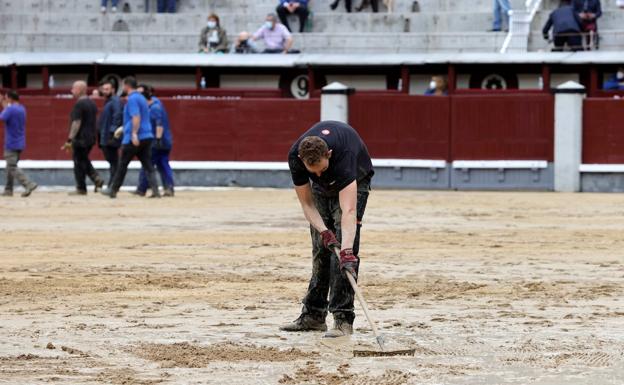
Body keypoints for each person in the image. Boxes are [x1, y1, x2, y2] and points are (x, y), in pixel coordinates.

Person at [280, 121, 374, 338]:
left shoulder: (344, 157)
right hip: (322, 194)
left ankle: (342, 320)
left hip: (355, 182)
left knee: (343, 255)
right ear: (302, 161)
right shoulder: (296, 157)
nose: (319, 176)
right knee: (321, 249)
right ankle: (313, 316)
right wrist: (324, 231)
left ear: (329, 155)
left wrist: (347, 251)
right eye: (314, 172)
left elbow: (348, 211)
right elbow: (307, 204)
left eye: (322, 170)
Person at [102, 77, 160, 199]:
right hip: (147, 135)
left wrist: (133, 133)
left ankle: (113, 190)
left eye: (123, 86)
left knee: (122, 164)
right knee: (148, 165)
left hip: (134, 137)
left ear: (127, 86)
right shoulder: (142, 99)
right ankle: (156, 191)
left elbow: (136, 117)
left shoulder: (132, 99)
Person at [61, 81, 105, 195]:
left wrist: (70, 139)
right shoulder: (92, 103)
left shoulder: (79, 104)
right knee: (83, 160)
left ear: (80, 90)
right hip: (90, 137)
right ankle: (95, 178)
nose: (72, 91)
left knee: (79, 162)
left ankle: (82, 187)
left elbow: (76, 122)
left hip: (81, 138)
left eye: (74, 88)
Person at [135, 85, 174, 197]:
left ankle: (142, 189)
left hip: (157, 142)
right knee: (162, 164)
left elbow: (159, 125)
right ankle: (168, 188)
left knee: (147, 164)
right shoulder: (157, 104)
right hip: (164, 141)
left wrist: (157, 139)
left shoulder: (154, 107)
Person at [0, 90, 37, 197]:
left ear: (10, 98)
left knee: (11, 166)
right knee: (9, 167)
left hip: (11, 142)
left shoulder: (10, 109)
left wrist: (3, 104)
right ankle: (8, 189)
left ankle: (28, 184)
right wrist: (5, 104)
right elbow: (7, 113)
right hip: (20, 142)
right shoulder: (21, 108)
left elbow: (2, 117)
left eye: (6, 98)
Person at [98, 79, 123, 188]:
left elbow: (117, 117)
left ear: (113, 90)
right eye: (103, 89)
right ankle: (112, 184)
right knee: (113, 162)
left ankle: (113, 185)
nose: (104, 91)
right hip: (106, 136)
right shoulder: (110, 101)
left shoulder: (115, 101)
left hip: (110, 137)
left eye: (107, 89)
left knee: (114, 162)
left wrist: (112, 133)